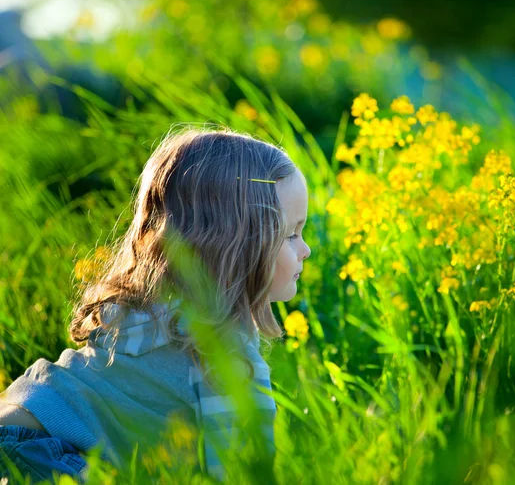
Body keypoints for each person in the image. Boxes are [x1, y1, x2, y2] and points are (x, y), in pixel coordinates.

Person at [0, 127, 311, 483]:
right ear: (239, 246)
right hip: (49, 461)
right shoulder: (223, 358)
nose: (305, 250)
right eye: (290, 234)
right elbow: (242, 472)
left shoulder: (144, 311)